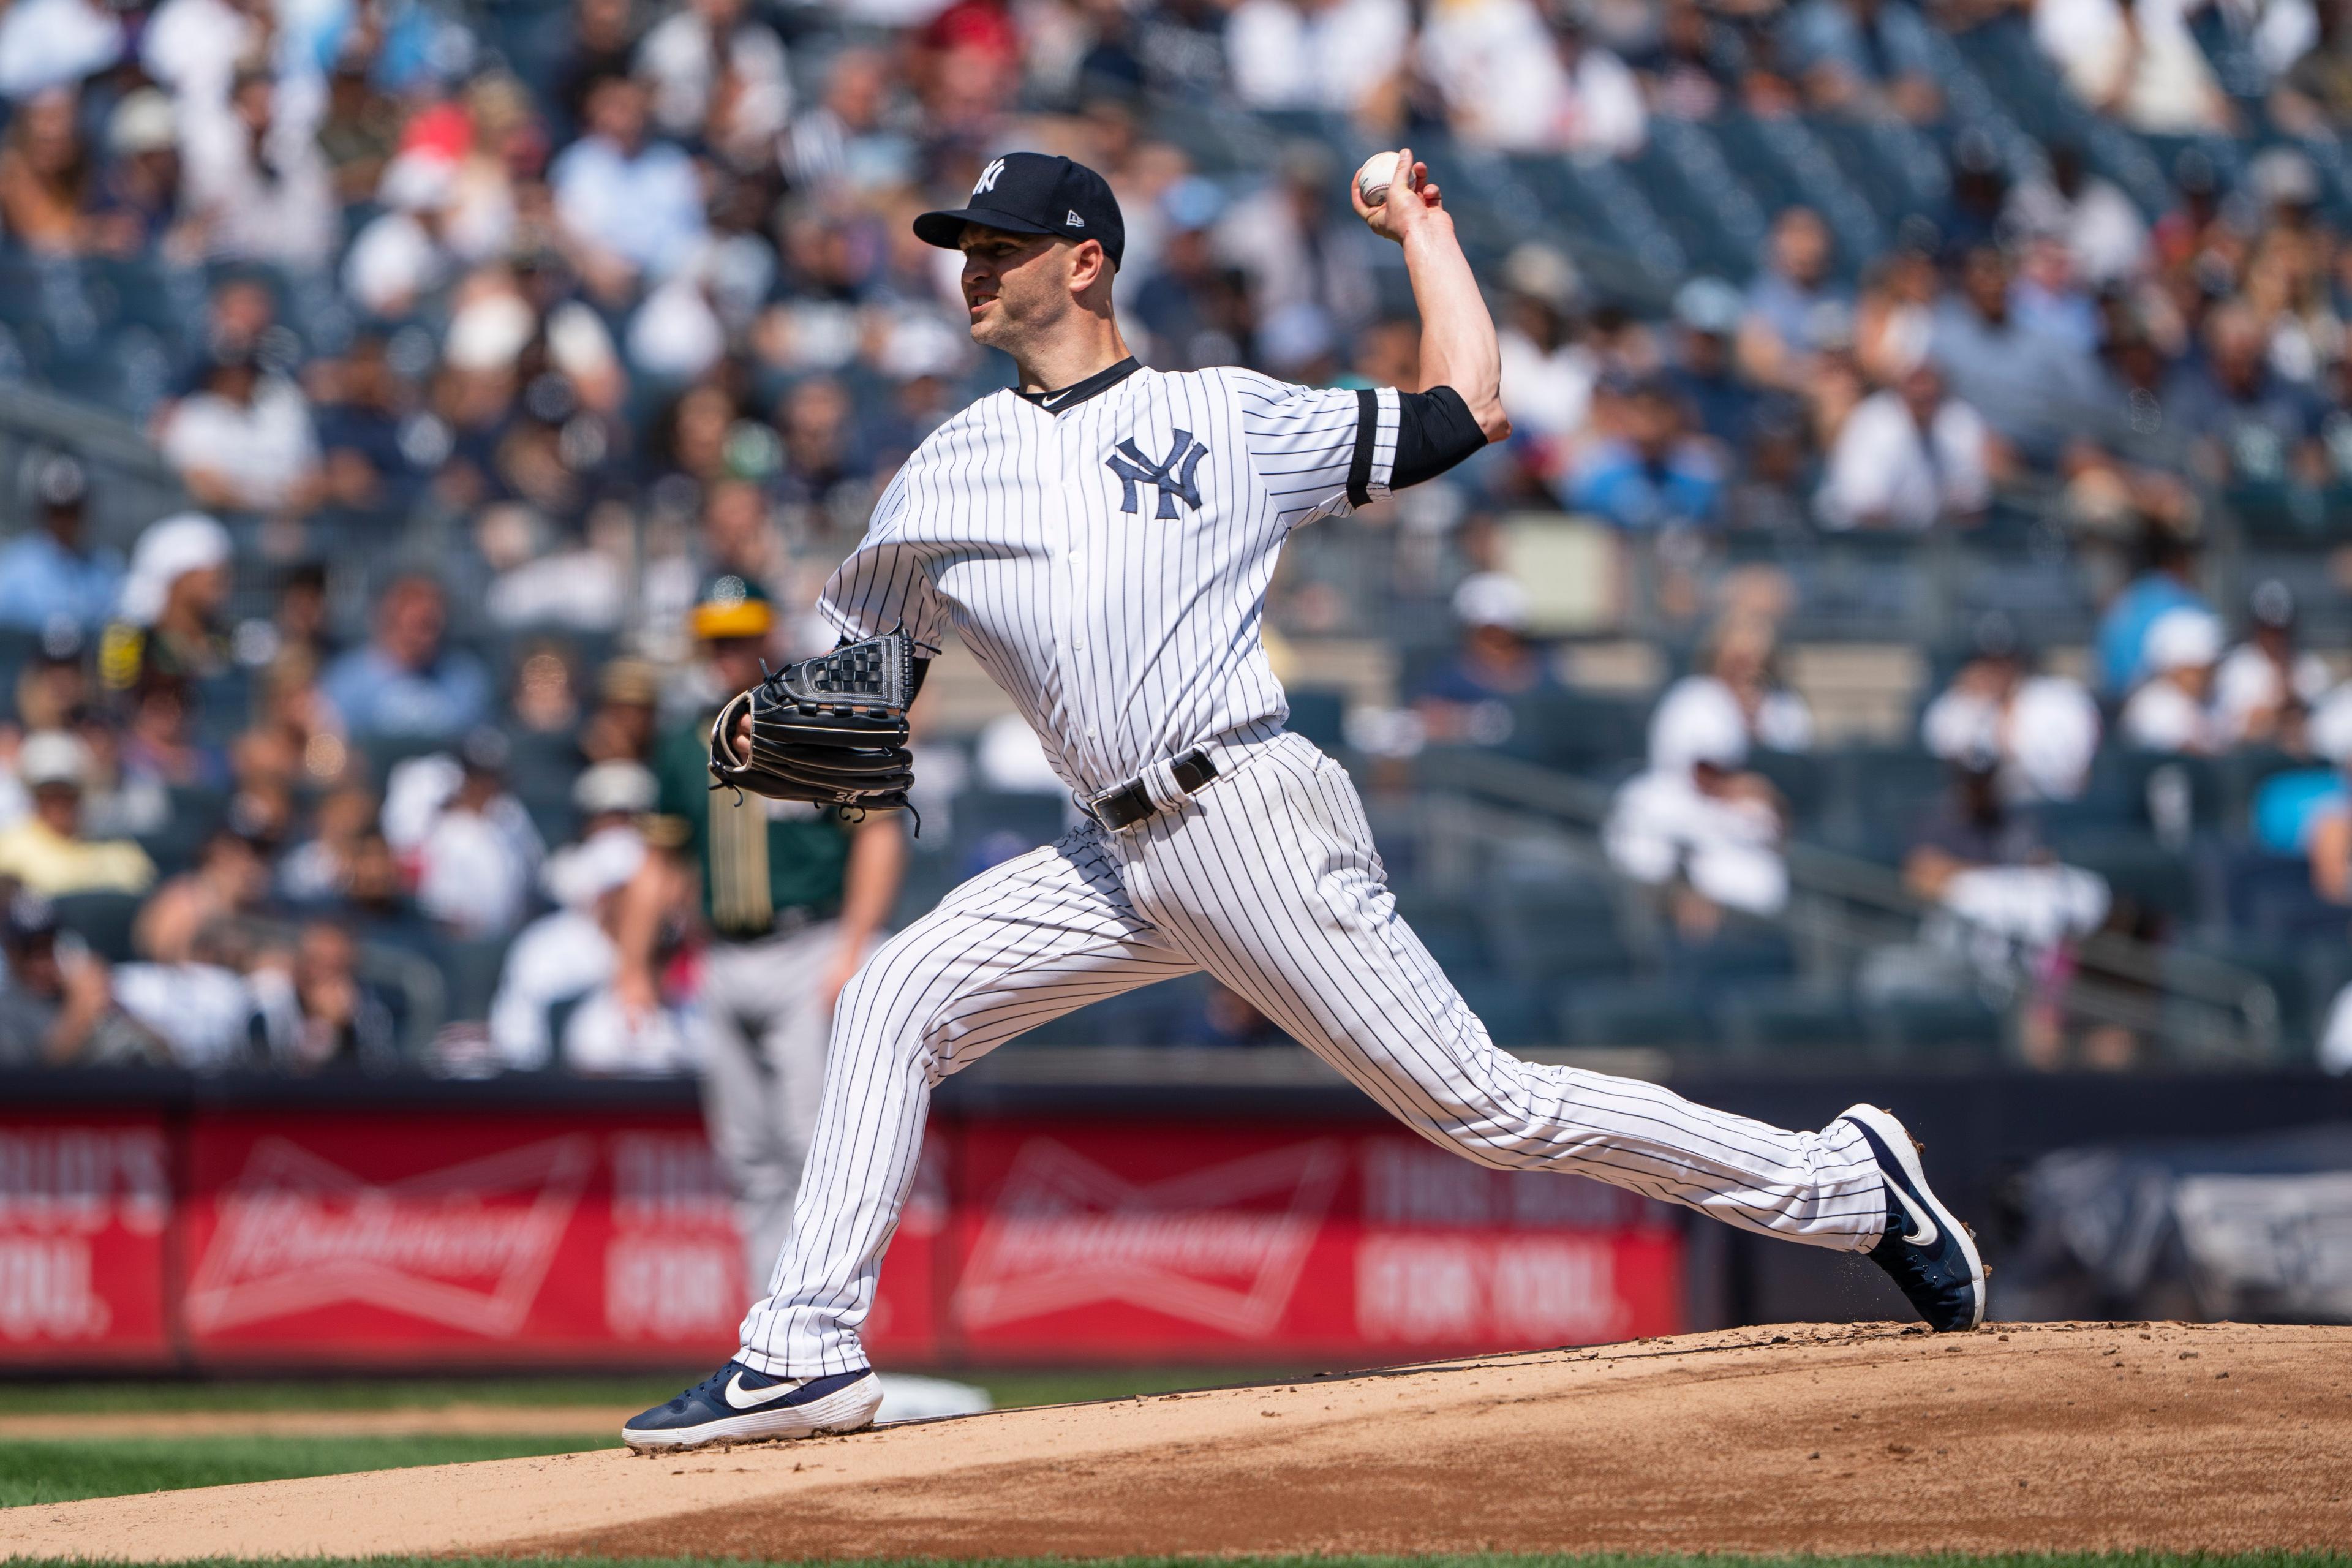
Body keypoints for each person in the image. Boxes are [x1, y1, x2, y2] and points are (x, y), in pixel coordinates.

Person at [623, 147, 1985, 1452]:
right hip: (1112, 852)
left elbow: (1467, 408)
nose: (970, 269)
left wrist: (1425, 235)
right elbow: (869, 690)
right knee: (894, 996)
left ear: (1086, 263)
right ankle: (802, 1345)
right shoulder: (946, 467)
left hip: (1246, 811)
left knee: (1483, 1110)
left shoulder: (1226, 413)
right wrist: (786, 726)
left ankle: (1848, 1183)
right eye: (962, 248)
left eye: (998, 246)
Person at [626, 573, 907, 1298]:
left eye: (742, 638)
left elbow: (878, 833)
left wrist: (854, 944)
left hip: (807, 945)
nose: (730, 654)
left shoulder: (823, 721)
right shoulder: (685, 742)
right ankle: (766, 1334)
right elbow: (662, 861)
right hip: (721, 957)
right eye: (718, 641)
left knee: (815, 1150)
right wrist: (631, 965)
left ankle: (827, 1330)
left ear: (769, 637)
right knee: (749, 1158)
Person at [318, 575, 492, 741]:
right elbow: (332, 753)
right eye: (410, 602)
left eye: (430, 620)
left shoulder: (464, 678)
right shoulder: (345, 682)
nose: (426, 611)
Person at [0, 731, 156, 896]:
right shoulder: (9, 850)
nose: (58, 803)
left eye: (68, 794)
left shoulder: (121, 852)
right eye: (48, 795)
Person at [0, 453, 122, 635]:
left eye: (72, 511)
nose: (64, 521)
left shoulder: (106, 569)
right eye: (57, 511)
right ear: (42, 511)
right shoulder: (12, 568)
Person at [2214, 579, 2334, 748]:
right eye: (2268, 629)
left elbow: (2322, 726)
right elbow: (2239, 730)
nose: (2275, 638)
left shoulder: (2310, 667)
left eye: (2281, 630)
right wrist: (2280, 705)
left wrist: (2294, 699)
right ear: (2255, 627)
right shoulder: (2236, 667)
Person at [2119, 606, 2225, 755]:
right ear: (2172, 669)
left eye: (2210, 669)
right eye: (2197, 670)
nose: (2206, 678)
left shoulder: (2213, 700)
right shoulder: (2150, 706)